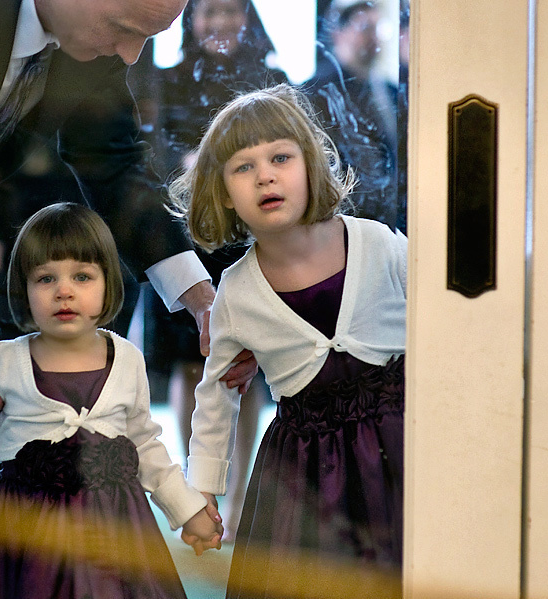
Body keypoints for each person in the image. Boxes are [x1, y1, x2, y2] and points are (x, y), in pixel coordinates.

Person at [0, 0, 259, 484]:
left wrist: (201, 299)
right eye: (125, 29)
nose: (131, 56)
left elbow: (115, 170)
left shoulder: (89, 48)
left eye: (149, 37)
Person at [170, 84, 406, 597]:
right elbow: (215, 396)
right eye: (243, 167)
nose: (266, 175)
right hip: (305, 471)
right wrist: (203, 491)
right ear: (223, 192)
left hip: (401, 450)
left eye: (280, 157)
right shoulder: (234, 291)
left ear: (310, 165)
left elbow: (448, 323)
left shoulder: (380, 245)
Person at [0, 203, 224, 599]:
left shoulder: (127, 359)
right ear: (23, 289)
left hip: (118, 532)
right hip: (29, 540)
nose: (64, 290)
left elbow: (144, 444)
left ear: (109, 284)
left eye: (82, 276)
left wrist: (188, 510)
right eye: (45, 278)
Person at [141, 0, 287, 541]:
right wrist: (190, 167)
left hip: (246, 234)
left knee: (244, 360)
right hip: (183, 234)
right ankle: (195, 486)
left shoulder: (269, 80)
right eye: (209, 13)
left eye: (231, 12)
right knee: (186, 360)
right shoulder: (163, 80)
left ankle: (242, 491)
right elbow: (149, 156)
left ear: (249, 18)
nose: (220, 24)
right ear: (190, 21)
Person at [305, 0, 403, 230]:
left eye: (378, 29)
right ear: (339, 32)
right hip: (339, 222)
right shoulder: (316, 92)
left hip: (387, 223)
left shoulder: (389, 92)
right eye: (364, 28)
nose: (374, 39)